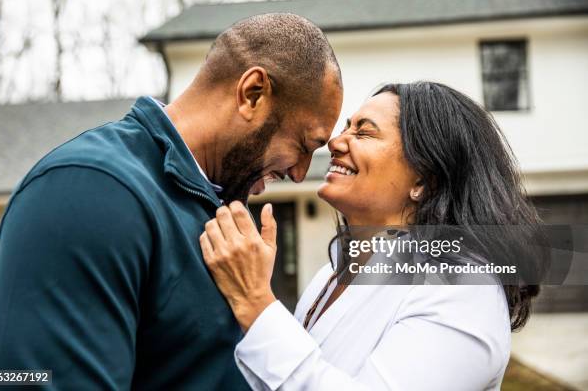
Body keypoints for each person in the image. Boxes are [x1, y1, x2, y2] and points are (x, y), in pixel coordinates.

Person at [0, 13, 342, 389]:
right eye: (304, 145)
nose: (300, 173)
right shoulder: (88, 190)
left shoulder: (221, 211)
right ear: (252, 93)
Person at [200, 81, 542, 390]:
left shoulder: (462, 291)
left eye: (363, 133)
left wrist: (257, 303)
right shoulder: (331, 276)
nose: (335, 141)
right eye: (346, 127)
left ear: (424, 181)